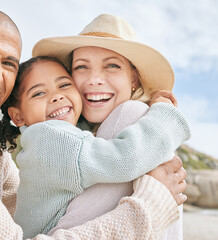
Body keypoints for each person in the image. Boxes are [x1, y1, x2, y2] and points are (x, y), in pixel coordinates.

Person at [0, 8, 186, 240]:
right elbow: (121, 159)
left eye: (8, 63)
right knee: (135, 119)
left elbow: (20, 209)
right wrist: (149, 208)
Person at [0, 54, 190, 238]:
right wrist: (164, 113)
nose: (56, 96)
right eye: (39, 93)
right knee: (136, 115)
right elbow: (124, 159)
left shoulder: (65, 132)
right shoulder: (46, 138)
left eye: (64, 85)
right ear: (17, 116)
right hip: (54, 233)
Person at [33, 14, 186, 240]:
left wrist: (166, 114)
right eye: (82, 67)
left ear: (134, 79)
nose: (95, 79)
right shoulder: (77, 134)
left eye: (112, 66)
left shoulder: (131, 116)